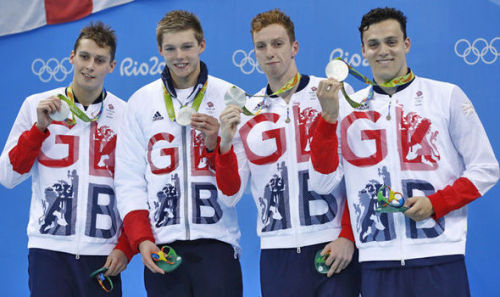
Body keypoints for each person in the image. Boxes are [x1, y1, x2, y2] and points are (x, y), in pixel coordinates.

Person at [308, 7, 499, 297]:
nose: (383, 51)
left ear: (406, 44)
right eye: (374, 44)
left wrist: (437, 203)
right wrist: (328, 119)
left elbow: (485, 168)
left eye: (391, 41)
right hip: (376, 261)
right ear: (363, 50)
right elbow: (322, 183)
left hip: (439, 256)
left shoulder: (445, 96)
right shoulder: (347, 107)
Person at [214, 8, 360, 297]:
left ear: (295, 47)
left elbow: (360, 175)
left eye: (278, 44)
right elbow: (229, 195)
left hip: (332, 244)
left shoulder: (333, 93)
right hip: (277, 251)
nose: (270, 53)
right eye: (261, 46)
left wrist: (348, 236)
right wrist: (225, 145)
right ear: (254, 53)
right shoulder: (247, 111)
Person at [114, 10, 242, 297]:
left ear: (202, 45)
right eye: (170, 48)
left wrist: (217, 145)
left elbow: (235, 192)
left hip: (217, 244)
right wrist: (141, 239)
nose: (179, 56)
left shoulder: (230, 97)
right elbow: (129, 180)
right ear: (160, 50)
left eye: (187, 46)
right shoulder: (140, 102)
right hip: (162, 247)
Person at [0, 22, 134, 297]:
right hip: (49, 251)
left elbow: (135, 186)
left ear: (112, 66)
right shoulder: (37, 105)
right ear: (71, 57)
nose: (90, 66)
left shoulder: (126, 114)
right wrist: (38, 130)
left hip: (104, 255)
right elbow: (8, 176)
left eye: (100, 60)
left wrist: (125, 245)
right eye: (84, 57)